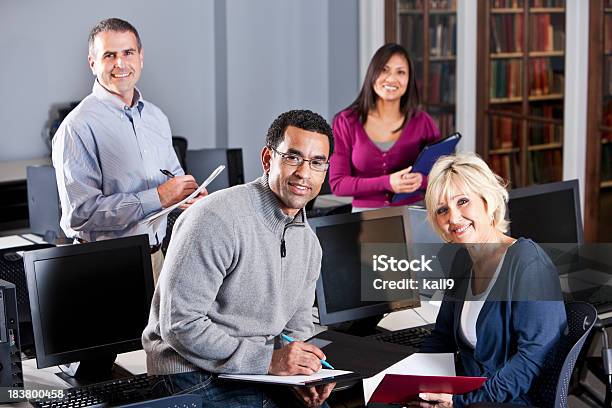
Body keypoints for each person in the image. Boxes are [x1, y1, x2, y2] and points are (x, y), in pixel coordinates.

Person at [142, 110, 336, 408]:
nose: (304, 173)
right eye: (293, 157)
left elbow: (296, 331)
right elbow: (180, 324)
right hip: (192, 373)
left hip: (257, 370)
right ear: (268, 159)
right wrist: (269, 362)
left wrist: (304, 372)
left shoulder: (309, 244)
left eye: (316, 162)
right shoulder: (216, 218)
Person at [52, 18, 205, 283]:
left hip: (158, 258)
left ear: (141, 57)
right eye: (109, 55)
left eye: (128, 53)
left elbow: (173, 179)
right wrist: (157, 197)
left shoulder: (157, 118)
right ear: (92, 63)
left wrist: (189, 196)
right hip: (105, 267)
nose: (120, 63)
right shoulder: (77, 126)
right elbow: (80, 215)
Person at [417, 153, 566, 407]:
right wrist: (413, 381)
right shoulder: (462, 260)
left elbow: (532, 360)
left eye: (463, 201)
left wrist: (461, 402)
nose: (453, 218)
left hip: (510, 399)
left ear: (488, 201)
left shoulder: (528, 263)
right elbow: (442, 337)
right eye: (442, 210)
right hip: (469, 394)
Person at [329, 43, 440, 211]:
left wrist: (422, 181)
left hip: (414, 212)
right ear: (372, 74)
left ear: (409, 79)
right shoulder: (346, 121)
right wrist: (388, 183)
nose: (391, 79)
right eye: (384, 70)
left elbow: (444, 174)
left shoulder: (423, 122)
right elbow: (338, 184)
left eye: (400, 72)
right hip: (365, 220)